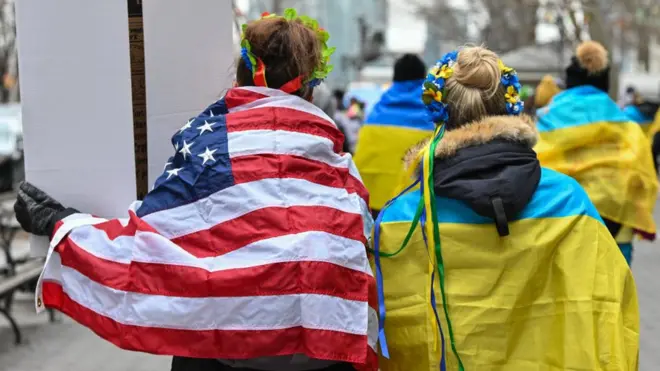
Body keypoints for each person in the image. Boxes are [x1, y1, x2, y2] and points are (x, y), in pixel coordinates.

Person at [15, 9, 377, 371]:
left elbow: (145, 245)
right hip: (325, 353)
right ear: (310, 88)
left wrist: (59, 223)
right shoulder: (339, 165)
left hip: (228, 353)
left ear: (243, 75)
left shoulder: (211, 147)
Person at [372, 46, 638, 370]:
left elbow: (392, 332)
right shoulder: (570, 201)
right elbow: (610, 314)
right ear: (509, 107)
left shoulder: (402, 218)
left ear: (441, 115)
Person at [535, 40, 658, 265]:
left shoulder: (546, 119)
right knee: (614, 296)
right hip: (616, 230)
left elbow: (536, 169)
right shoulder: (626, 125)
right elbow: (643, 175)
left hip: (561, 226)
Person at [353, 54, 433, 218]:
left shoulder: (376, 113)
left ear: (395, 77)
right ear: (423, 77)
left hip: (376, 207)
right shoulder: (433, 115)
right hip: (416, 209)